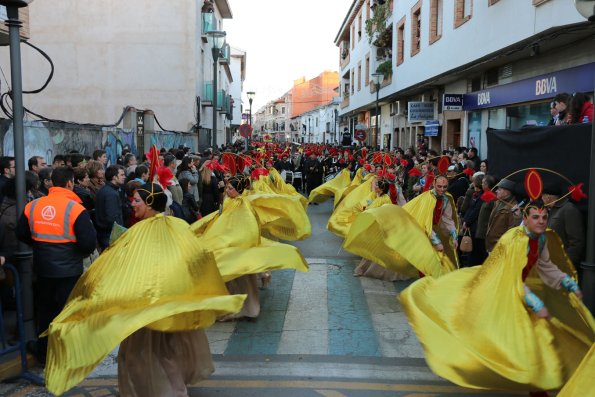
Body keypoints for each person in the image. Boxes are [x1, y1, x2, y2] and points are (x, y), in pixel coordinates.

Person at [41, 182, 245, 396]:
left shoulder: (143, 233)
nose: (132, 204)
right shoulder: (175, 226)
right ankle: (175, 391)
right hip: (164, 305)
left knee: (142, 356)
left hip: (148, 308)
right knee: (164, 354)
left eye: (137, 200)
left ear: (149, 203)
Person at [400, 199, 594, 396]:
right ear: (525, 219)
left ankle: (538, 386)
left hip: (520, 294)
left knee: (539, 341)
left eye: (544, 217)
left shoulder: (541, 239)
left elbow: (545, 267)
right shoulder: (515, 240)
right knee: (500, 340)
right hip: (502, 293)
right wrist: (535, 303)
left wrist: (567, 283)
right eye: (536, 217)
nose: (542, 221)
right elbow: (511, 277)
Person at [16, 167, 97, 365]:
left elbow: (21, 233)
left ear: (52, 183)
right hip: (69, 271)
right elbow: (87, 244)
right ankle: (69, 355)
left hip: (43, 269)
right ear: (70, 183)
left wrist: (41, 244)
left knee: (44, 313)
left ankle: (44, 353)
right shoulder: (76, 209)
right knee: (68, 312)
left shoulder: (33, 206)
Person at [541, 183, 585, 269]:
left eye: (542, 196)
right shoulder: (550, 210)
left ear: (548, 197)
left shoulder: (569, 209)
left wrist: (567, 262)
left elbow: (576, 241)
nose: (541, 199)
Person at [94, 164, 127, 250]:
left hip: (105, 234)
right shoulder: (111, 194)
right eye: (122, 175)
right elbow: (112, 218)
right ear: (114, 177)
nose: (124, 177)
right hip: (110, 236)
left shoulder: (106, 190)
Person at [485, 178, 521, 252]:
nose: (496, 191)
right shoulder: (498, 202)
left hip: (501, 248)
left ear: (507, 192)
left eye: (499, 189)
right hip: (491, 245)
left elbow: (512, 230)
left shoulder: (513, 208)